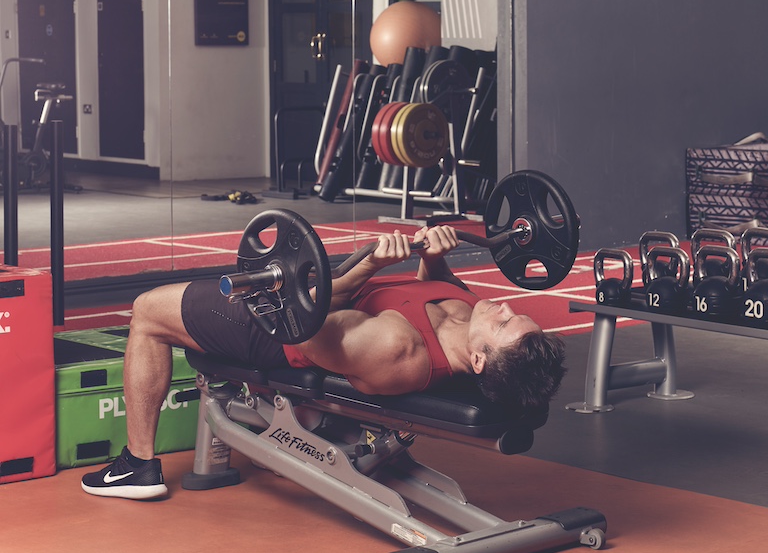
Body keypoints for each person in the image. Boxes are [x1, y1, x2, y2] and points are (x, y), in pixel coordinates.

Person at [81, 225, 566, 500]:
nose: (505, 307)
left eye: (505, 323)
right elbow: (430, 290)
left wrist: (372, 265)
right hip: (313, 311)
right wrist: (434, 257)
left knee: (147, 311)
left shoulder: (395, 348)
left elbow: (303, 316)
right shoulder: (470, 317)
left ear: (479, 362)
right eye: (514, 313)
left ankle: (138, 467)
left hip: (276, 330)